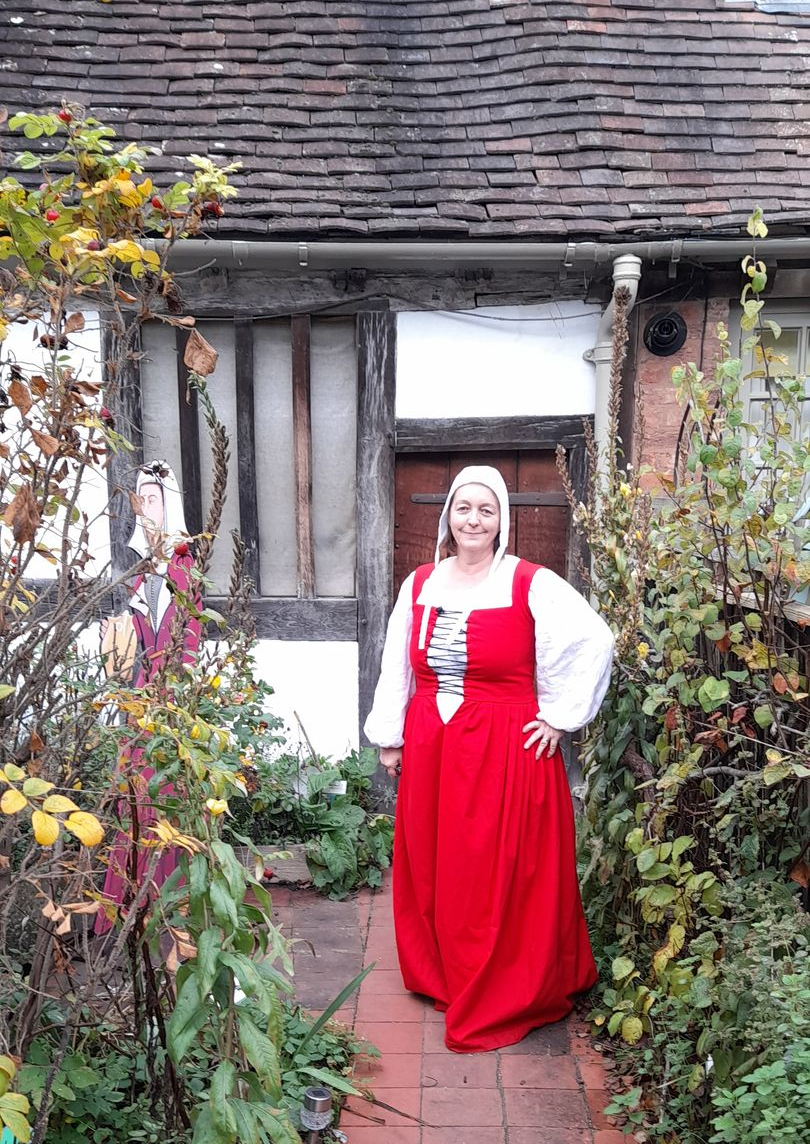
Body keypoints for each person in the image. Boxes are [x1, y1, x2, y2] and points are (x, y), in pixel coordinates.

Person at [364, 464, 614, 1053]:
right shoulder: (421, 581)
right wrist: (390, 734)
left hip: (506, 749)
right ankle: (445, 972)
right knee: (436, 858)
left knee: (496, 866)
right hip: (434, 744)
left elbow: (592, 639)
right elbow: (398, 659)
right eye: (464, 508)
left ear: (503, 520)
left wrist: (558, 714)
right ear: (448, 515)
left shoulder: (531, 582)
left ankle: (503, 981)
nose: (473, 520)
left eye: (487, 510)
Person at [95, 461, 201, 936]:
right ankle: (130, 906)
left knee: (169, 790)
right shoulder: (140, 568)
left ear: (170, 505)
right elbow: (136, 637)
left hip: (172, 697)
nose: (145, 507)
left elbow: (189, 637)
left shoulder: (184, 564)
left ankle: (171, 905)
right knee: (134, 794)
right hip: (140, 696)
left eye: (153, 498)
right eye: (139, 499)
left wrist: (174, 690)